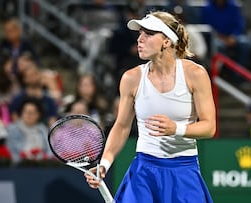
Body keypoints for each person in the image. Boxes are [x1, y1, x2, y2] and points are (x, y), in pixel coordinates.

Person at [85, 11, 215, 202]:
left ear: (167, 41)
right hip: (143, 171)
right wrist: (104, 163)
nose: (140, 39)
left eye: (148, 34)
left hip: (183, 169)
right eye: (140, 34)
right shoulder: (131, 78)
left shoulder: (195, 74)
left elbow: (209, 127)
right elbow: (121, 126)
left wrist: (175, 129)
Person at [201, 0, 251, 82]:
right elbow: (207, 25)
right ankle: (219, 76)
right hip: (216, 37)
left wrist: (234, 37)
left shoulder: (233, 6)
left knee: (245, 43)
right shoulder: (208, 7)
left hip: (232, 37)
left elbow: (239, 24)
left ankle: (237, 75)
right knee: (218, 46)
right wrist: (221, 38)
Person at [7, 97, 51, 164]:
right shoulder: (12, 129)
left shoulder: (43, 129)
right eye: (26, 112)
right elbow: (11, 151)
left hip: (42, 165)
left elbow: (50, 150)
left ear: (39, 115)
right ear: (21, 113)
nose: (29, 115)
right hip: (20, 165)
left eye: (33, 112)